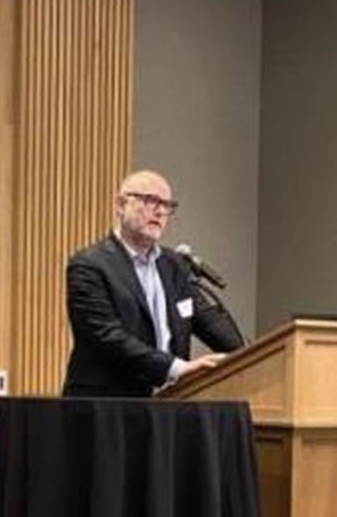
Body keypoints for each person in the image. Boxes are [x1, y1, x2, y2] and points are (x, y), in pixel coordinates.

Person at [62, 169, 243, 397]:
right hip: (107, 406)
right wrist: (176, 368)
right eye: (149, 201)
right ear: (120, 206)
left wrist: (249, 355)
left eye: (167, 205)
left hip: (168, 403)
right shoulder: (89, 265)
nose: (159, 211)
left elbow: (207, 320)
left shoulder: (174, 265)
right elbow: (106, 336)